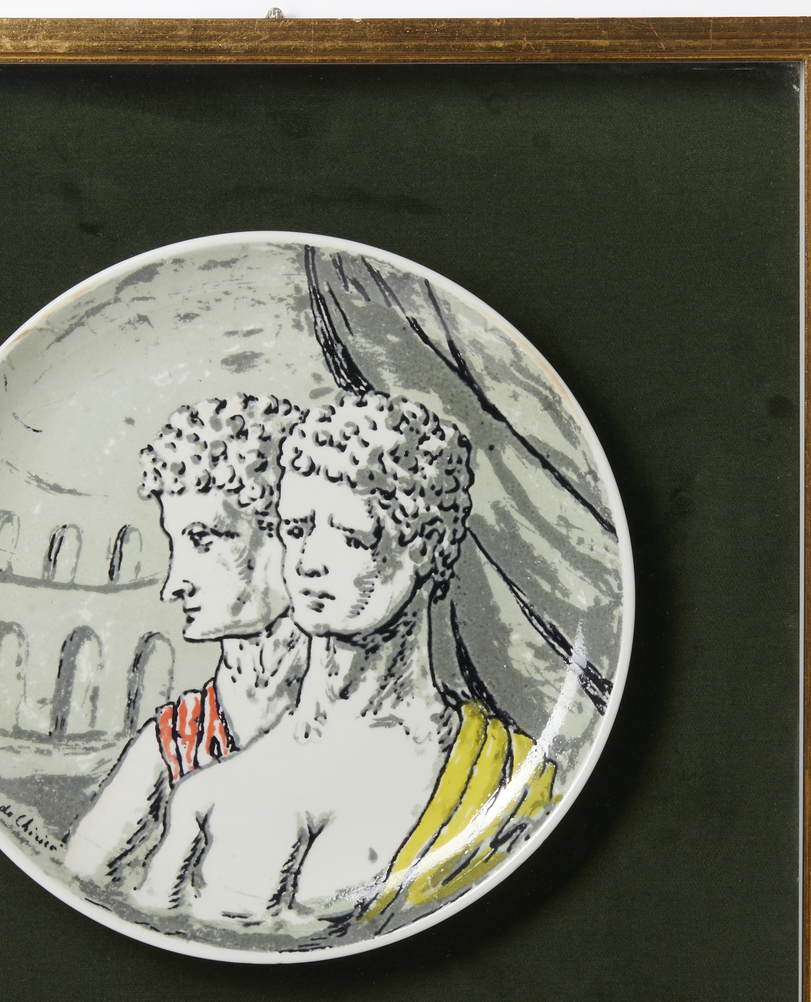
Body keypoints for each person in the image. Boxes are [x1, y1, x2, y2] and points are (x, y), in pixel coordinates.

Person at [135, 392, 556, 939]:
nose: (308, 562)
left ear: (426, 546)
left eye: (352, 536)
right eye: (295, 530)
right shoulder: (209, 795)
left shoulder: (511, 778)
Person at [61, 394, 308, 891]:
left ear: (290, 536)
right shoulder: (175, 740)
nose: (173, 585)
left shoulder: (369, 730)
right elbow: (76, 883)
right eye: (177, 544)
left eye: (203, 539)